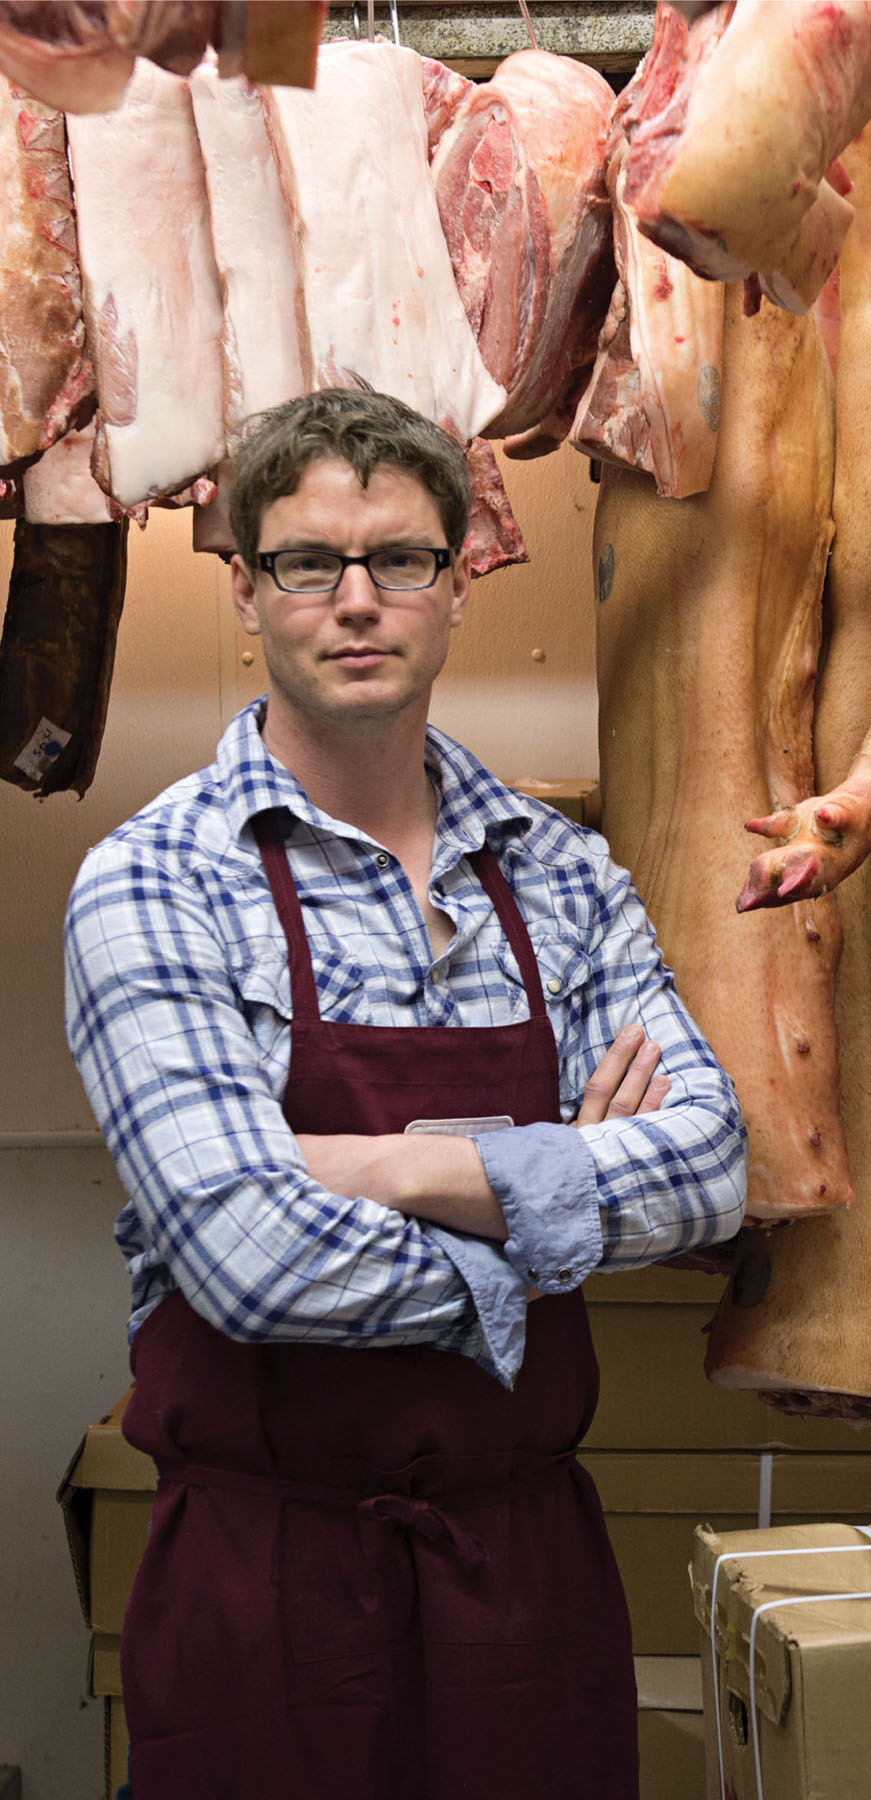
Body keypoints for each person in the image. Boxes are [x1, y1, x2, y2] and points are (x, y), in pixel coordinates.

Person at [63, 386, 748, 1800]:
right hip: (266, 1591)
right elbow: (250, 1263)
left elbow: (708, 1167)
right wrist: (552, 1211)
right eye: (309, 562)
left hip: (525, 1575)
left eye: (402, 560)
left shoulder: (558, 873)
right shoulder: (158, 878)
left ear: (459, 583)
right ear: (245, 590)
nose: (356, 600)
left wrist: (367, 1168)